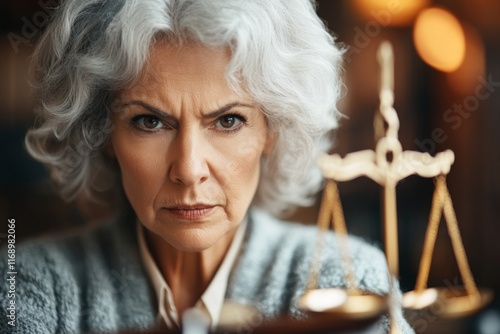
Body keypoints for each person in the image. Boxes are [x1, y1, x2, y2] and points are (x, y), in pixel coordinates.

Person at [0, 0, 413, 333]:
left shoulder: (344, 280)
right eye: (150, 121)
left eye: (228, 121)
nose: (189, 169)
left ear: (273, 132)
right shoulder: (27, 284)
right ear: (104, 134)